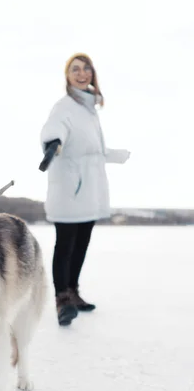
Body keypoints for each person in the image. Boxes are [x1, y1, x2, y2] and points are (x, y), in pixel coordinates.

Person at [40, 53, 130, 326]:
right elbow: (55, 129)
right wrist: (53, 144)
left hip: (89, 189)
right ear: (67, 76)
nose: (82, 73)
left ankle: (74, 291)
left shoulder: (88, 109)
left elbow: (93, 150)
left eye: (86, 69)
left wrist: (118, 154)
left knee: (81, 244)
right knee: (65, 244)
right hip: (70, 188)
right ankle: (62, 299)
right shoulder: (64, 107)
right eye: (75, 69)